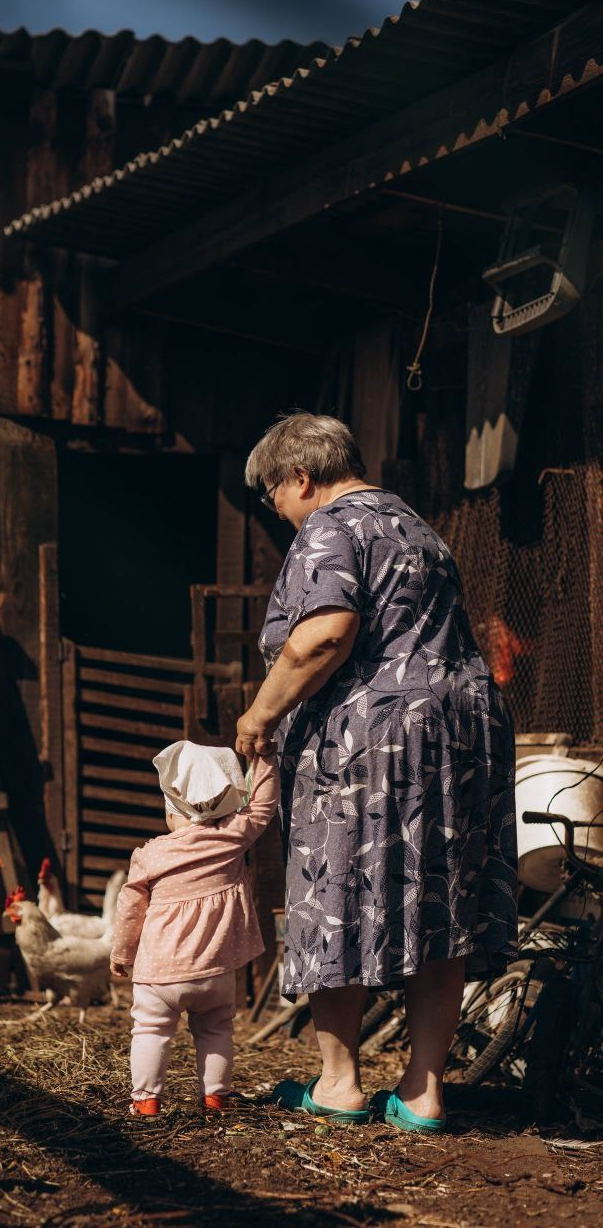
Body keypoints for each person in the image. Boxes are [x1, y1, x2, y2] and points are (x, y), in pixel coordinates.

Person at [235, 412, 517, 1133]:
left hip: (375, 740)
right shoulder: (421, 529)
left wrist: (260, 715)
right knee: (439, 900)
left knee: (338, 890)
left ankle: (337, 1083)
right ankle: (423, 1093)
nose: (281, 512)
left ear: (301, 476)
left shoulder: (331, 525)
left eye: (275, 496)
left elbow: (325, 634)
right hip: (458, 731)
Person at [110, 740, 279, 1116]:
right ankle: (216, 1098)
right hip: (217, 972)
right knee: (216, 1030)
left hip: (161, 974)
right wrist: (264, 756)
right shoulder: (231, 838)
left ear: (174, 809)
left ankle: (146, 1102)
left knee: (151, 1031)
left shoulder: (151, 854)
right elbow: (265, 805)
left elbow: (130, 907)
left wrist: (122, 955)